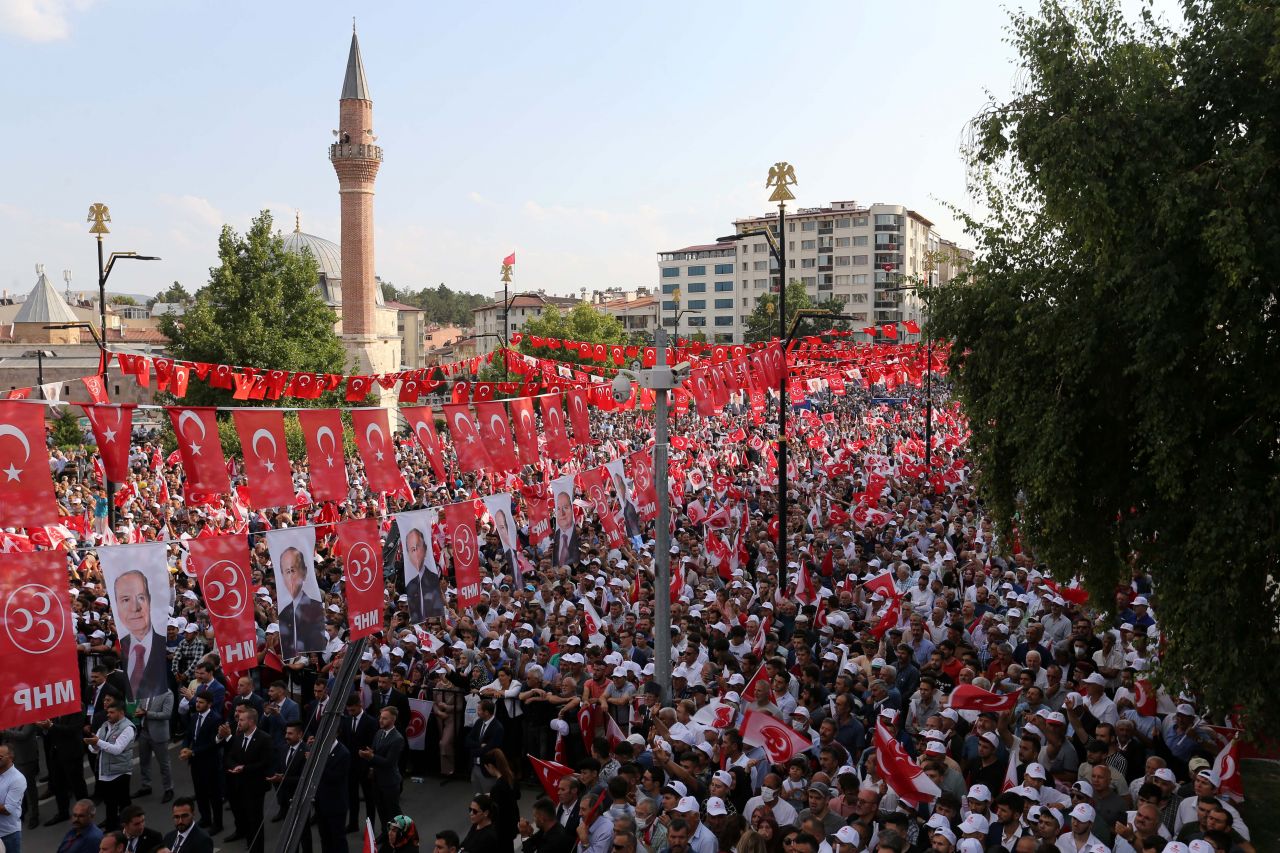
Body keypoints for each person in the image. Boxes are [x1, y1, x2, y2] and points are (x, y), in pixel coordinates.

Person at [217, 707, 273, 853]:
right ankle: (250, 846)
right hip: (239, 786)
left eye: (242, 720)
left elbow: (265, 763)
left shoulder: (264, 738)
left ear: (251, 721)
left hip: (255, 787)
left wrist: (244, 768)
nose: (238, 722)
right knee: (246, 821)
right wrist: (235, 766)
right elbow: (230, 757)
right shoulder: (239, 737)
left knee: (255, 822)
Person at [112, 570, 170, 700]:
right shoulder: (122, 644)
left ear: (149, 600)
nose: (135, 607)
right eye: (126, 600)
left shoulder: (163, 644)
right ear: (116, 606)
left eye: (140, 598)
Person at [178, 693, 223, 835]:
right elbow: (188, 735)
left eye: (201, 702)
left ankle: (218, 823)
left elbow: (213, 743)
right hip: (196, 763)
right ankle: (205, 818)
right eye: (197, 701)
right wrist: (185, 747)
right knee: (200, 792)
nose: (197, 704)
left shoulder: (215, 719)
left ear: (209, 704)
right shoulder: (194, 717)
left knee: (214, 795)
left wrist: (193, 752)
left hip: (210, 763)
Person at [87, 703, 136, 831]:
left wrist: (98, 742)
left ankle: (129, 830)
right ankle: (111, 830)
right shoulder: (104, 726)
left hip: (121, 772)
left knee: (124, 804)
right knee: (110, 804)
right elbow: (93, 749)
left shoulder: (128, 728)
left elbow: (117, 749)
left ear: (121, 713)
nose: (108, 715)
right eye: (108, 712)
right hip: (106, 772)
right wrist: (94, 745)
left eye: (112, 712)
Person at [39, 709, 89, 826]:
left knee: (77, 785)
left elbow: (73, 730)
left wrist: (52, 726)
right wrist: (44, 728)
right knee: (58, 785)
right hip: (56, 753)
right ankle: (63, 813)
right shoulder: (54, 708)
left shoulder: (76, 708)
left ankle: (85, 813)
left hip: (72, 753)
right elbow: (50, 731)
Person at [276, 546, 328, 657]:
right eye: (286, 572)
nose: (290, 577)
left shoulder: (315, 608)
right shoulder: (282, 611)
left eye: (293, 570)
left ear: (304, 572)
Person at [362, 707, 405, 831]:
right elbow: (375, 751)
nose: (380, 720)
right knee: (381, 810)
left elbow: (389, 762)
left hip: (390, 782)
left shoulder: (397, 739)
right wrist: (370, 755)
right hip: (377, 780)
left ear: (393, 720)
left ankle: (402, 835)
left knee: (394, 813)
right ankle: (385, 834)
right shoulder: (379, 733)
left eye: (384, 718)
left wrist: (371, 756)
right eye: (380, 717)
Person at [340, 694, 378, 834]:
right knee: (352, 796)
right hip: (350, 766)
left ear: (360, 705)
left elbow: (373, 746)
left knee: (369, 799)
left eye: (353, 710)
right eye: (348, 710)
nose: (350, 713)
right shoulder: (346, 720)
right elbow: (343, 742)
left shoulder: (371, 722)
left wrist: (372, 766)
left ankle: (370, 828)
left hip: (365, 766)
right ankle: (353, 823)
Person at [132, 689, 175, 802]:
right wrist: (138, 711)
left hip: (158, 734)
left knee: (164, 764)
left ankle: (168, 789)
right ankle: (146, 786)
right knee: (144, 761)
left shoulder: (167, 693)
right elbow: (140, 706)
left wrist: (147, 714)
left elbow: (167, 714)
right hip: (144, 732)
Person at [403, 527, 445, 622]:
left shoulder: (434, 578)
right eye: (412, 549)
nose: (416, 553)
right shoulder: (409, 584)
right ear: (408, 554)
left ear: (425, 549)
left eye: (418, 547)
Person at [482, 749, 520, 848]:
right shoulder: (510, 777)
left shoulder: (497, 787)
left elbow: (496, 813)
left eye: (486, 768)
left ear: (490, 766)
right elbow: (517, 795)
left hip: (502, 829)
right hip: (512, 823)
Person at [465, 700, 503, 792]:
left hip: (487, 770)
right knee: (477, 796)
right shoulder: (479, 722)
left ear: (486, 712)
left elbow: (489, 749)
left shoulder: (498, 728)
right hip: (475, 767)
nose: (477, 712)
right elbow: (467, 740)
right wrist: (479, 745)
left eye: (479, 710)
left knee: (488, 796)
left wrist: (473, 751)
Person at [0, 744, 26, 853]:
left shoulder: (17, 779)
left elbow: (7, 810)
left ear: (10, 757)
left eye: (0, 757)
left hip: (7, 835)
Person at [553, 489, 582, 566]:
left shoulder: (577, 535)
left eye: (565, 507)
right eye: (558, 508)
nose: (562, 513)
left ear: (572, 510)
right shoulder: (554, 536)